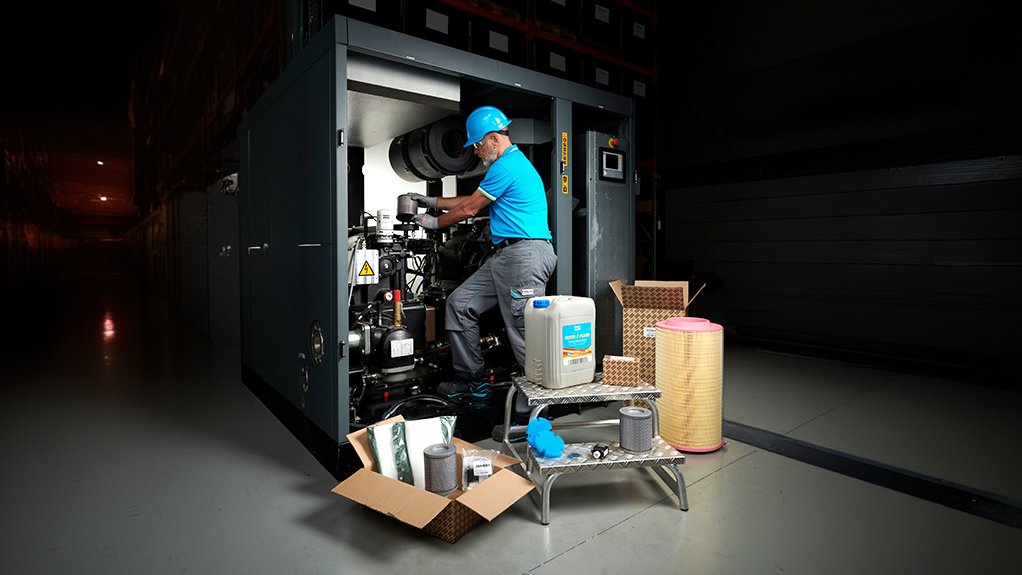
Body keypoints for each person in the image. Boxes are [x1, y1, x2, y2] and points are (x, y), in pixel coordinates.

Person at [408, 106, 557, 401]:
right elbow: (472, 199)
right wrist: (432, 201)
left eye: (476, 144)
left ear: (492, 138)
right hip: (506, 257)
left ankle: (535, 412)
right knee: (459, 304)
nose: (475, 151)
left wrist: (434, 223)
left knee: (523, 332)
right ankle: (473, 380)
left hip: (524, 255)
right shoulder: (505, 167)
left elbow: (469, 209)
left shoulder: (508, 166)